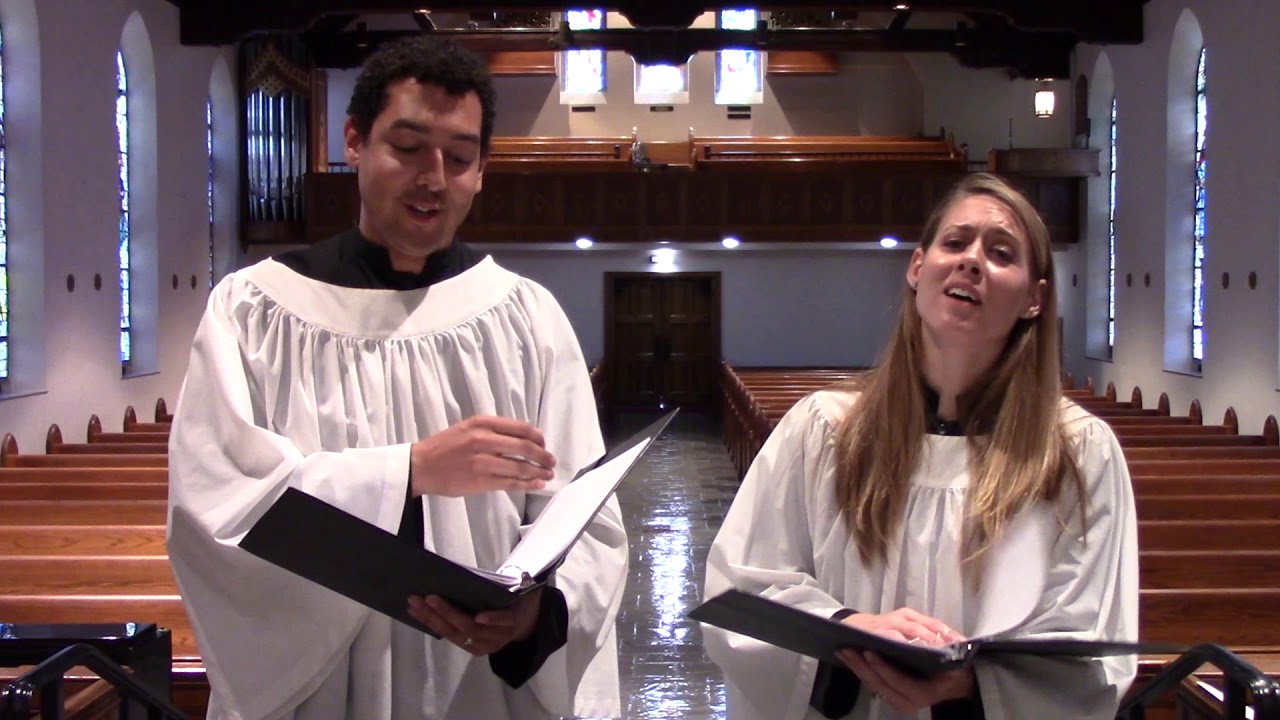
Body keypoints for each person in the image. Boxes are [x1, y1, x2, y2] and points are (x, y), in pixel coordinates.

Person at [167, 36, 628, 720]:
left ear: (481, 171)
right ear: (354, 141)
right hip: (317, 695)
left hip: (482, 689)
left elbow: (585, 522)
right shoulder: (254, 309)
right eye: (407, 148)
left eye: (461, 158)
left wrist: (533, 618)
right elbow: (217, 510)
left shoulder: (526, 318)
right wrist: (405, 473)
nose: (433, 179)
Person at [702, 173, 1138, 720]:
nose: (971, 261)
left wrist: (968, 688)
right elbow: (745, 582)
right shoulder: (824, 430)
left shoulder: (1077, 453)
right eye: (955, 243)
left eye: (1001, 253)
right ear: (917, 268)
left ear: (1034, 298)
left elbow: (1086, 637)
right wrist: (846, 631)